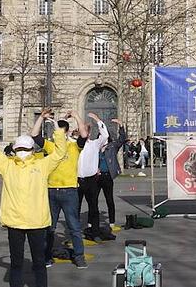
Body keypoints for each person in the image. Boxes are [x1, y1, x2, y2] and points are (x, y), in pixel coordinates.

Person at [0, 115, 67, 287]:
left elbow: (59, 153)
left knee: (39, 262)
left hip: (37, 221)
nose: (22, 152)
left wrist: (58, 132)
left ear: (33, 150)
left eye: (26, 149)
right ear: (14, 150)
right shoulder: (7, 166)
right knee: (16, 262)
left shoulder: (42, 165)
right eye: (19, 149)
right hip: (15, 221)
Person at [32, 110, 87, 268]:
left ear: (68, 132)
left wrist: (76, 115)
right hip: (51, 191)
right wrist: (41, 118)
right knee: (49, 227)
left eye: (62, 132)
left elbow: (83, 135)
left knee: (74, 226)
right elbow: (35, 135)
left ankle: (79, 256)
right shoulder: (51, 146)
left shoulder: (74, 146)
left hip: (69, 191)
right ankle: (47, 256)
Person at [77, 112, 116, 241]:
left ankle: (95, 232)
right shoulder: (75, 145)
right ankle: (75, 233)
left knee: (93, 207)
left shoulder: (94, 144)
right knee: (75, 208)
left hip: (91, 180)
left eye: (83, 131)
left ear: (87, 133)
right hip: (77, 181)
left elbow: (105, 135)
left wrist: (98, 120)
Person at [97, 117, 127, 227]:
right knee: (93, 200)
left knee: (109, 200)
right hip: (96, 177)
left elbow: (122, 139)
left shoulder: (113, 146)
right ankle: (92, 223)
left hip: (107, 176)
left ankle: (112, 222)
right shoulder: (96, 147)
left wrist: (121, 126)